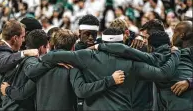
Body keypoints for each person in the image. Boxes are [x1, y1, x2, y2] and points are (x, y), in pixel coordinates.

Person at [25, 28, 180, 110]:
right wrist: (175, 54)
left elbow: (50, 57)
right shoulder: (133, 63)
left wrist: (50, 59)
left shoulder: (85, 56)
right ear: (123, 41)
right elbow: (163, 73)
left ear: (102, 41)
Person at [0, 28, 125, 110]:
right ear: (72, 48)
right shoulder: (71, 67)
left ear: (53, 44)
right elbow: (82, 91)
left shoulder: (41, 66)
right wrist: (110, 80)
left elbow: (23, 93)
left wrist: (8, 90)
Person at [96, 21, 193, 110]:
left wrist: (189, 82)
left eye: (145, 38)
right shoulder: (175, 52)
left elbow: (126, 51)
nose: (143, 41)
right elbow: (127, 51)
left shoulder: (163, 55)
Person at [0, 20, 38, 111]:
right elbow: (0, 66)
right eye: (22, 37)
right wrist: (24, 53)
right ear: (15, 38)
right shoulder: (2, 49)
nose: (23, 40)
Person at [0, 29, 48, 111]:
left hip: (6, 105)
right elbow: (23, 93)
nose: (47, 51)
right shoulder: (34, 64)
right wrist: (7, 90)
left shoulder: (17, 56)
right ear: (42, 47)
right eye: (47, 47)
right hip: (17, 107)